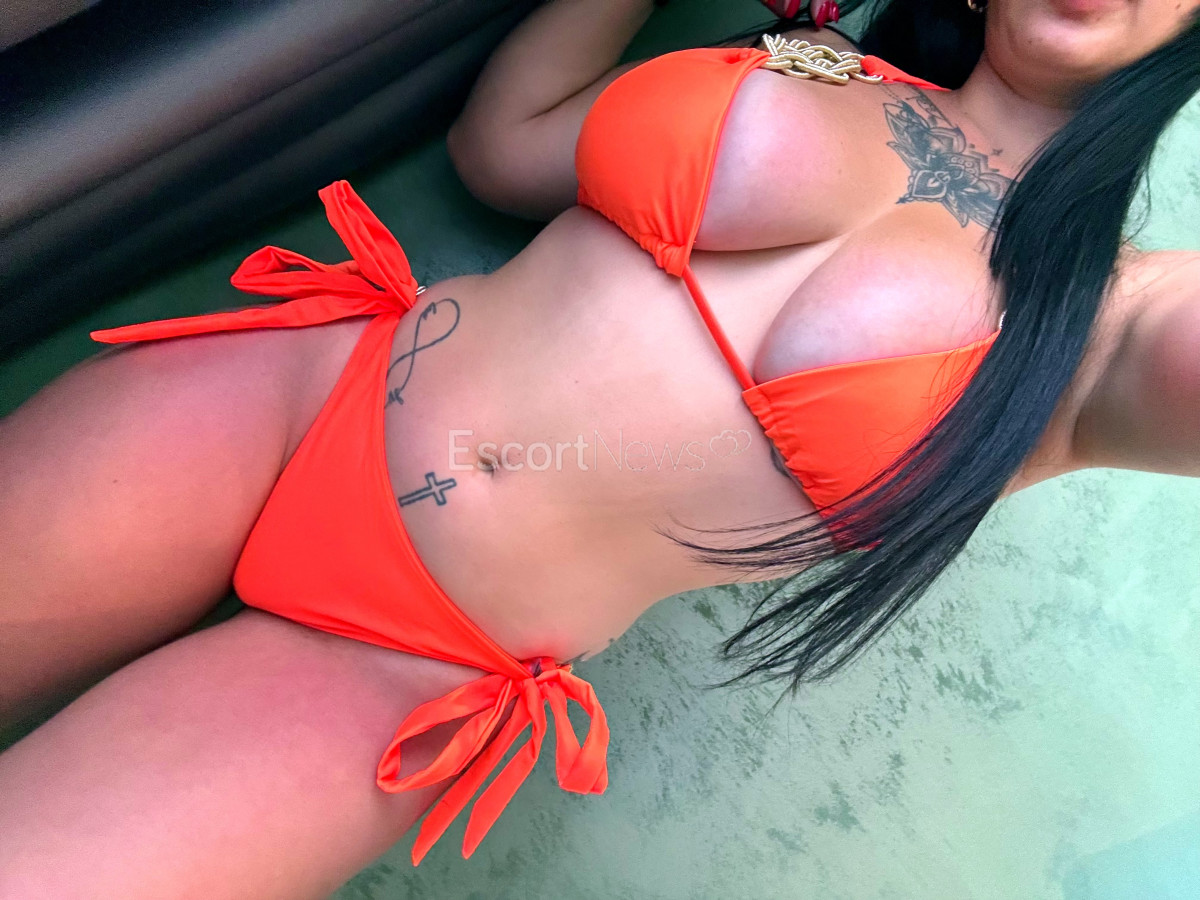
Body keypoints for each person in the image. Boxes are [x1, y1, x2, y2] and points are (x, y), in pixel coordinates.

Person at [1, 0, 1198, 895]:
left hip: (408, 661)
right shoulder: (813, 56)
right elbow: (507, 146)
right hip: (299, 390)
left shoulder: (1114, 325)